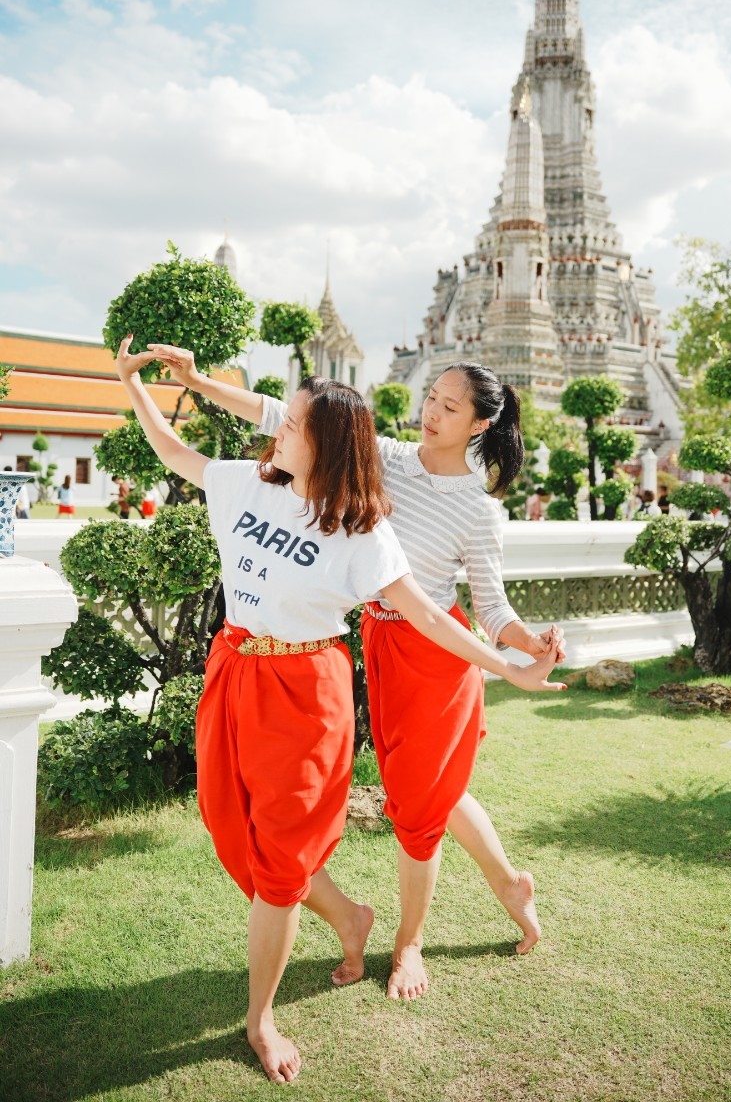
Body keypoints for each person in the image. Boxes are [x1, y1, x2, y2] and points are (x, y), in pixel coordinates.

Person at [117, 336, 563, 1084]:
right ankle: (423, 902)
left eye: (449, 406)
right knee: (290, 818)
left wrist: (515, 660)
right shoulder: (355, 462)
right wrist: (176, 383)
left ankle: (365, 964)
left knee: (408, 806)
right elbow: (235, 430)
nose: (431, 412)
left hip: (377, 664)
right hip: (303, 653)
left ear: (479, 423)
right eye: (431, 398)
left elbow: (458, 611)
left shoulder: (413, 522)